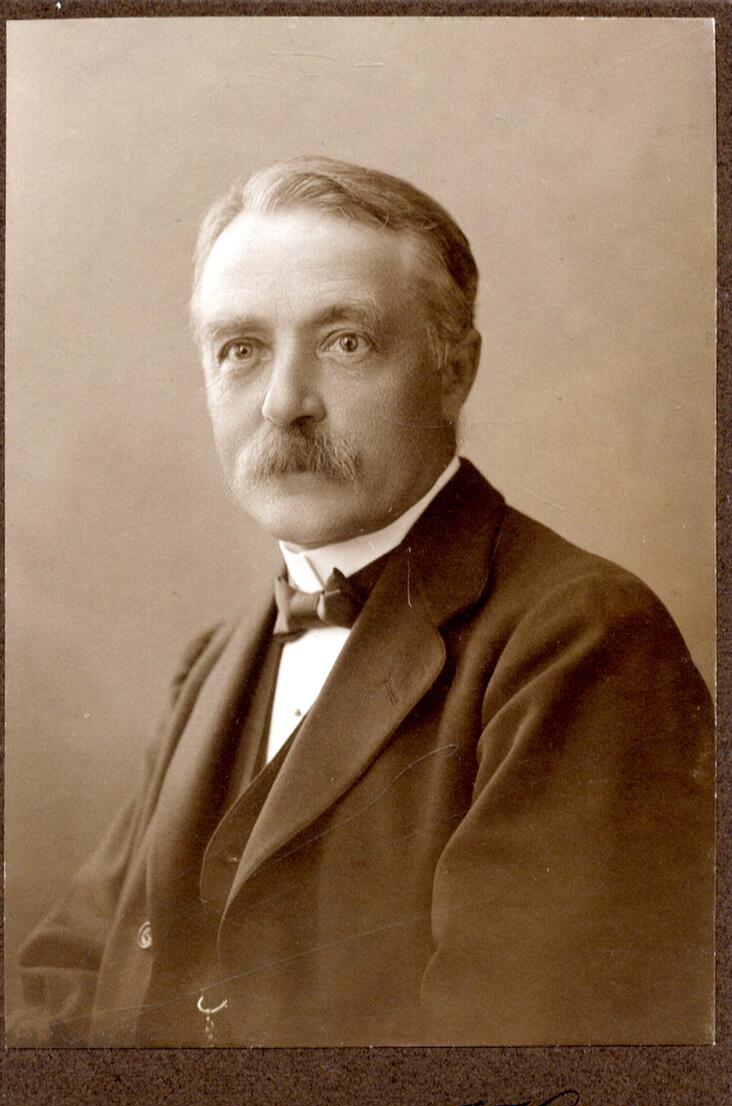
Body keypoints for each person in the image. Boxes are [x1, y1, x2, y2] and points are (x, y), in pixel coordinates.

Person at [14, 158, 714, 1048]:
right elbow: (68, 981)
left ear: (454, 371)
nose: (284, 404)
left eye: (345, 342)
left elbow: (510, 1080)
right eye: (241, 349)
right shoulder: (214, 663)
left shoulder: (586, 640)